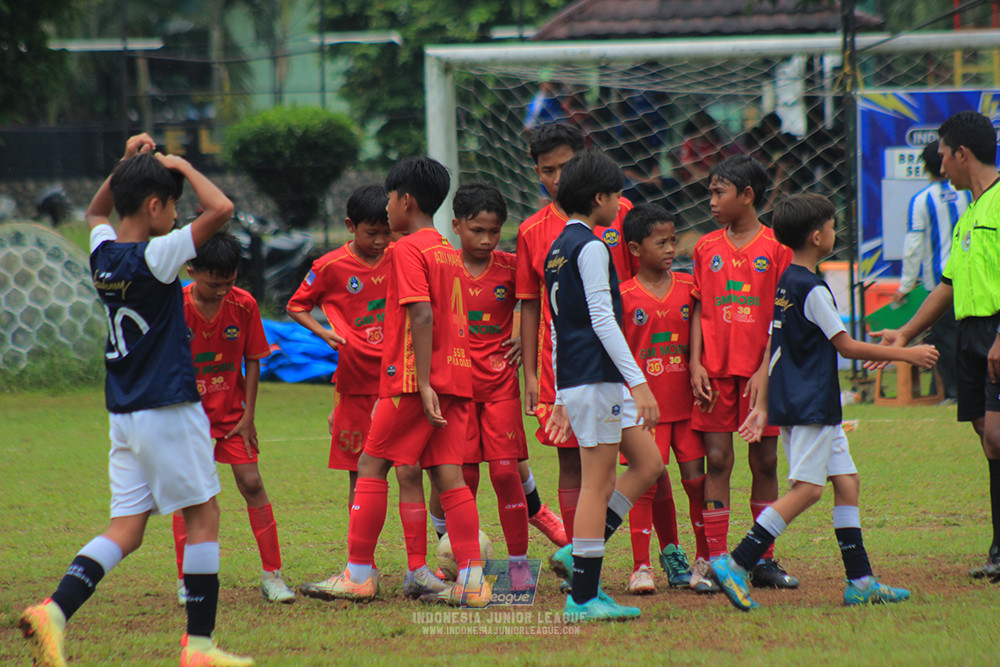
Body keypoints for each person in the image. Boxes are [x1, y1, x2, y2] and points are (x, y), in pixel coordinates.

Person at [19, 134, 252, 666]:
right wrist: (179, 165)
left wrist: (128, 163)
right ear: (155, 206)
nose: (176, 215)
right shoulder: (159, 255)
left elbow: (98, 206)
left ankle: (53, 611)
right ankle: (199, 647)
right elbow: (222, 208)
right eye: (171, 205)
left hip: (124, 413)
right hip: (168, 407)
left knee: (127, 528)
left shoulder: (102, 252)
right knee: (204, 518)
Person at [711, 193, 938, 611]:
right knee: (808, 491)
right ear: (817, 236)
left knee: (847, 483)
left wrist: (763, 404)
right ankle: (737, 561)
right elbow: (847, 347)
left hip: (808, 404)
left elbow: (775, 346)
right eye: (833, 226)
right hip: (810, 404)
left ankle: (861, 581)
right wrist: (908, 353)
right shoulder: (812, 288)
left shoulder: (786, 282)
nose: (835, 232)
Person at [299, 157, 488, 607]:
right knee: (448, 477)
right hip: (457, 377)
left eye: (388, 199)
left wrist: (421, 382)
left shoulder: (405, 249)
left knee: (370, 465)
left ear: (405, 200)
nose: (386, 210)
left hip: (411, 381)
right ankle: (472, 582)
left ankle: (359, 575)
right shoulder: (446, 247)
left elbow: (421, 314)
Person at [286, 186, 443, 600]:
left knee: (409, 469)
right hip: (356, 383)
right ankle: (364, 567)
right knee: (362, 472)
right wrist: (324, 332)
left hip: (402, 378)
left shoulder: (403, 254)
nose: (379, 242)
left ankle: (417, 568)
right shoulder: (329, 265)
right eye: (371, 233)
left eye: (385, 233)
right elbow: (296, 305)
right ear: (350, 227)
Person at [871, 110, 1000, 580]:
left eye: (943, 155)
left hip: (994, 334)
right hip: (968, 336)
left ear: (962, 154)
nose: (940, 165)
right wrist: (905, 333)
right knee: (989, 439)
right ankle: (998, 549)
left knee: (996, 437)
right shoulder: (970, 211)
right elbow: (947, 283)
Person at [544, 150, 664, 621]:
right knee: (598, 484)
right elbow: (600, 319)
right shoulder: (591, 246)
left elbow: (556, 328)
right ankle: (583, 597)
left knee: (649, 463)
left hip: (586, 380)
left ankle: (579, 557)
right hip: (596, 379)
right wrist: (639, 383)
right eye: (617, 194)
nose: (621, 203)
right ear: (599, 198)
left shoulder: (558, 248)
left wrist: (557, 394)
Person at [517, 122, 635, 586]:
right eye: (548, 170)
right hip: (578, 363)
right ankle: (582, 579)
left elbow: (623, 293)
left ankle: (587, 556)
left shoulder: (616, 212)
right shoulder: (541, 233)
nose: (558, 178)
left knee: (645, 465)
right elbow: (536, 306)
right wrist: (531, 372)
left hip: (611, 357)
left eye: (565, 167)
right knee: (585, 469)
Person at [688, 154, 800, 589]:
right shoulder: (705, 247)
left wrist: (763, 370)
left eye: (719, 192)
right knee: (718, 458)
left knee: (766, 461)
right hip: (714, 373)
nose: (711, 201)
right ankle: (718, 561)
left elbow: (781, 315)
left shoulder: (777, 249)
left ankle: (762, 559)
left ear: (747, 195)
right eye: (711, 192)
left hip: (760, 375)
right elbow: (698, 307)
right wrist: (696, 361)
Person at [172, 231, 295, 605]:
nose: (223, 290)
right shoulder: (173, 306)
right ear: (191, 270)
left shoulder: (244, 305)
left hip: (232, 414)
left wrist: (249, 416)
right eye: (214, 284)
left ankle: (273, 576)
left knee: (252, 482)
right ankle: (187, 580)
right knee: (191, 494)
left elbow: (254, 358)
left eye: (230, 282)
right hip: (187, 415)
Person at [435, 182, 533, 589]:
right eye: (477, 230)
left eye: (494, 231)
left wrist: (525, 339)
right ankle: (459, 558)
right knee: (464, 477)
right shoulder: (441, 266)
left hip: (499, 385)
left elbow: (535, 302)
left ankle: (518, 564)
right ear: (456, 225)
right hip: (456, 387)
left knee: (507, 474)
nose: (487, 239)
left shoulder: (511, 267)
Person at [619, 203, 713, 595]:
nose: (672, 248)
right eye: (662, 242)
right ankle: (642, 566)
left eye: (674, 240)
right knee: (646, 483)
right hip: (645, 411)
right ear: (636, 249)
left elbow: (700, 327)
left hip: (686, 406)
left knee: (695, 481)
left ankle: (704, 559)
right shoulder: (622, 296)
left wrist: (696, 364)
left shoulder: (689, 287)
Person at [892, 141, 972, 402]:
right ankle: (972, 389)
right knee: (971, 333)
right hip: (970, 277)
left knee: (946, 338)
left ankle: (953, 393)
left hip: (939, 282)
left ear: (925, 167)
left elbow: (914, 245)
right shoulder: (968, 194)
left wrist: (906, 284)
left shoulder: (922, 200)